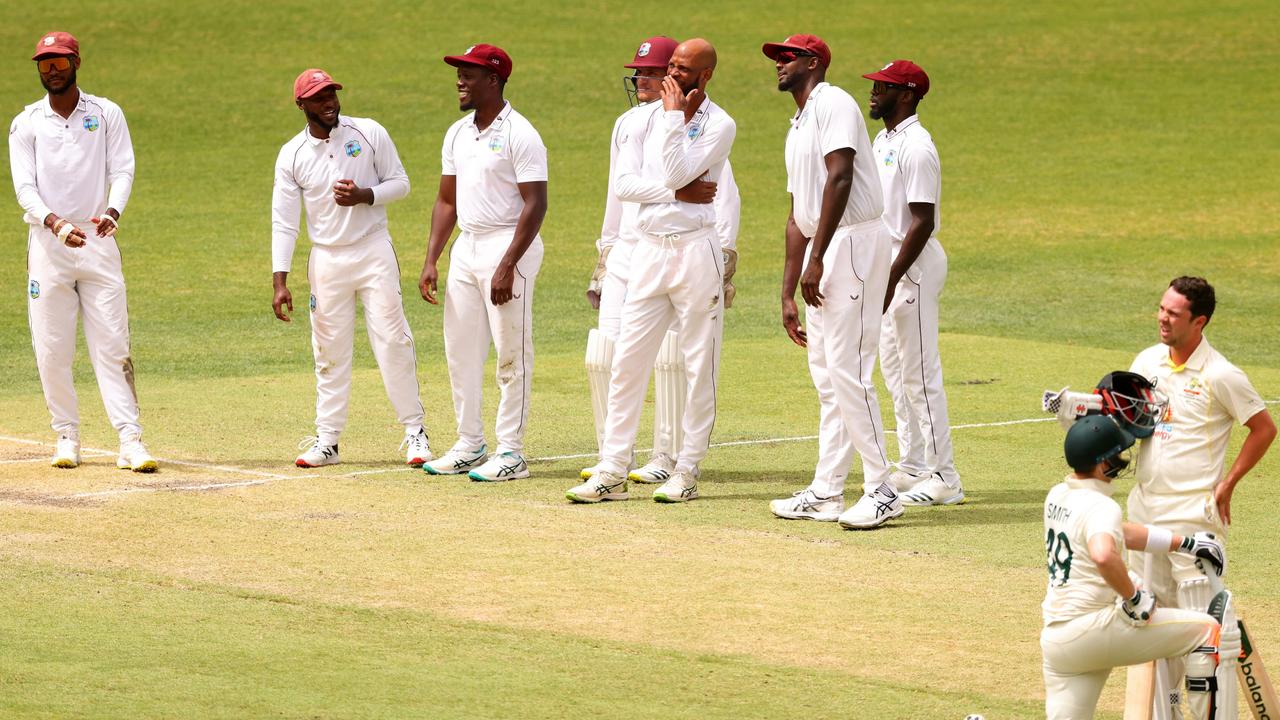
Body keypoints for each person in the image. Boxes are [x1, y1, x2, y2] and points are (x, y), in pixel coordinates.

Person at [566, 38, 735, 504]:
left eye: (684, 70)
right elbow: (625, 185)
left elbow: (676, 169)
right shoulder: (638, 121)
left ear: (706, 77)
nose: (673, 77)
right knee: (627, 363)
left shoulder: (720, 124)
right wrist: (674, 194)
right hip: (648, 251)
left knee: (699, 365)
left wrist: (674, 124)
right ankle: (613, 469)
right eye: (673, 67)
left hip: (695, 252)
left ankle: (686, 469)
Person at [760, 34, 899, 528]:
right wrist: (787, 287)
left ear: (813, 62)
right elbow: (798, 212)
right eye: (777, 57)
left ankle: (882, 487)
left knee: (849, 370)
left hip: (854, 243)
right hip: (827, 247)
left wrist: (818, 258)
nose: (779, 63)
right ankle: (827, 490)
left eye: (788, 56)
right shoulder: (797, 123)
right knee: (826, 374)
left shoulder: (833, 101)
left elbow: (841, 177)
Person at [1126, 276, 1276, 719]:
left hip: (1193, 518)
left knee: (1201, 633)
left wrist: (1228, 483)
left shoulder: (1221, 374)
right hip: (1144, 512)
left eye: (1173, 313)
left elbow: (1264, 428)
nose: (1162, 318)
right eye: (1161, 308)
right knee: (1148, 622)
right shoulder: (1147, 360)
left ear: (1200, 321)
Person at [8, 31, 156, 472]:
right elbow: (24, 188)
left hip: (98, 243)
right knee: (52, 348)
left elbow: (123, 168)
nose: (51, 70)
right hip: (49, 249)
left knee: (113, 345)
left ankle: (131, 441)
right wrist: (55, 224)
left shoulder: (106, 113)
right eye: (44, 63)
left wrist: (113, 210)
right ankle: (66, 435)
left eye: (59, 61)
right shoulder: (26, 122)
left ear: (76, 62)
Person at [271, 69, 430, 469]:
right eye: (319, 98)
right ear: (301, 104)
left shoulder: (368, 132)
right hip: (326, 260)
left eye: (332, 95)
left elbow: (401, 183)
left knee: (393, 341)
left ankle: (415, 432)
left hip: (373, 250)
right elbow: (285, 220)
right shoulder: (292, 155)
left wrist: (365, 195)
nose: (330, 103)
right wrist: (280, 280)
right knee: (328, 350)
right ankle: (328, 441)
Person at [418, 44, 548, 482]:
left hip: (509, 245)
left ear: (493, 80)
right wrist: (432, 258)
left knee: (511, 352)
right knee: (461, 351)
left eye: (468, 74)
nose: (459, 80)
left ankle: (512, 452)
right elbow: (446, 200)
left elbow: (536, 203)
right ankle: (470, 444)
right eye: (459, 72)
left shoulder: (520, 133)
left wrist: (508, 262)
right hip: (467, 248)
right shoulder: (457, 133)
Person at [1041, 414, 1226, 720]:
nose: (1121, 460)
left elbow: (1120, 533)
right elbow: (1103, 554)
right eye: (1117, 456)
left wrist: (1185, 543)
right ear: (1103, 464)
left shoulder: (1057, 495)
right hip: (1093, 629)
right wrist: (1134, 598)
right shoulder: (1102, 507)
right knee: (1206, 631)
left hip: (1058, 642)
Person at [862, 59, 963, 506]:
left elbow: (922, 221)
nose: (873, 92)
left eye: (882, 86)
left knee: (921, 373)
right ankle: (914, 463)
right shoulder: (883, 138)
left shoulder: (918, 147)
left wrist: (891, 276)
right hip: (888, 266)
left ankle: (945, 477)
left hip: (912, 266)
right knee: (894, 371)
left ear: (906, 94)